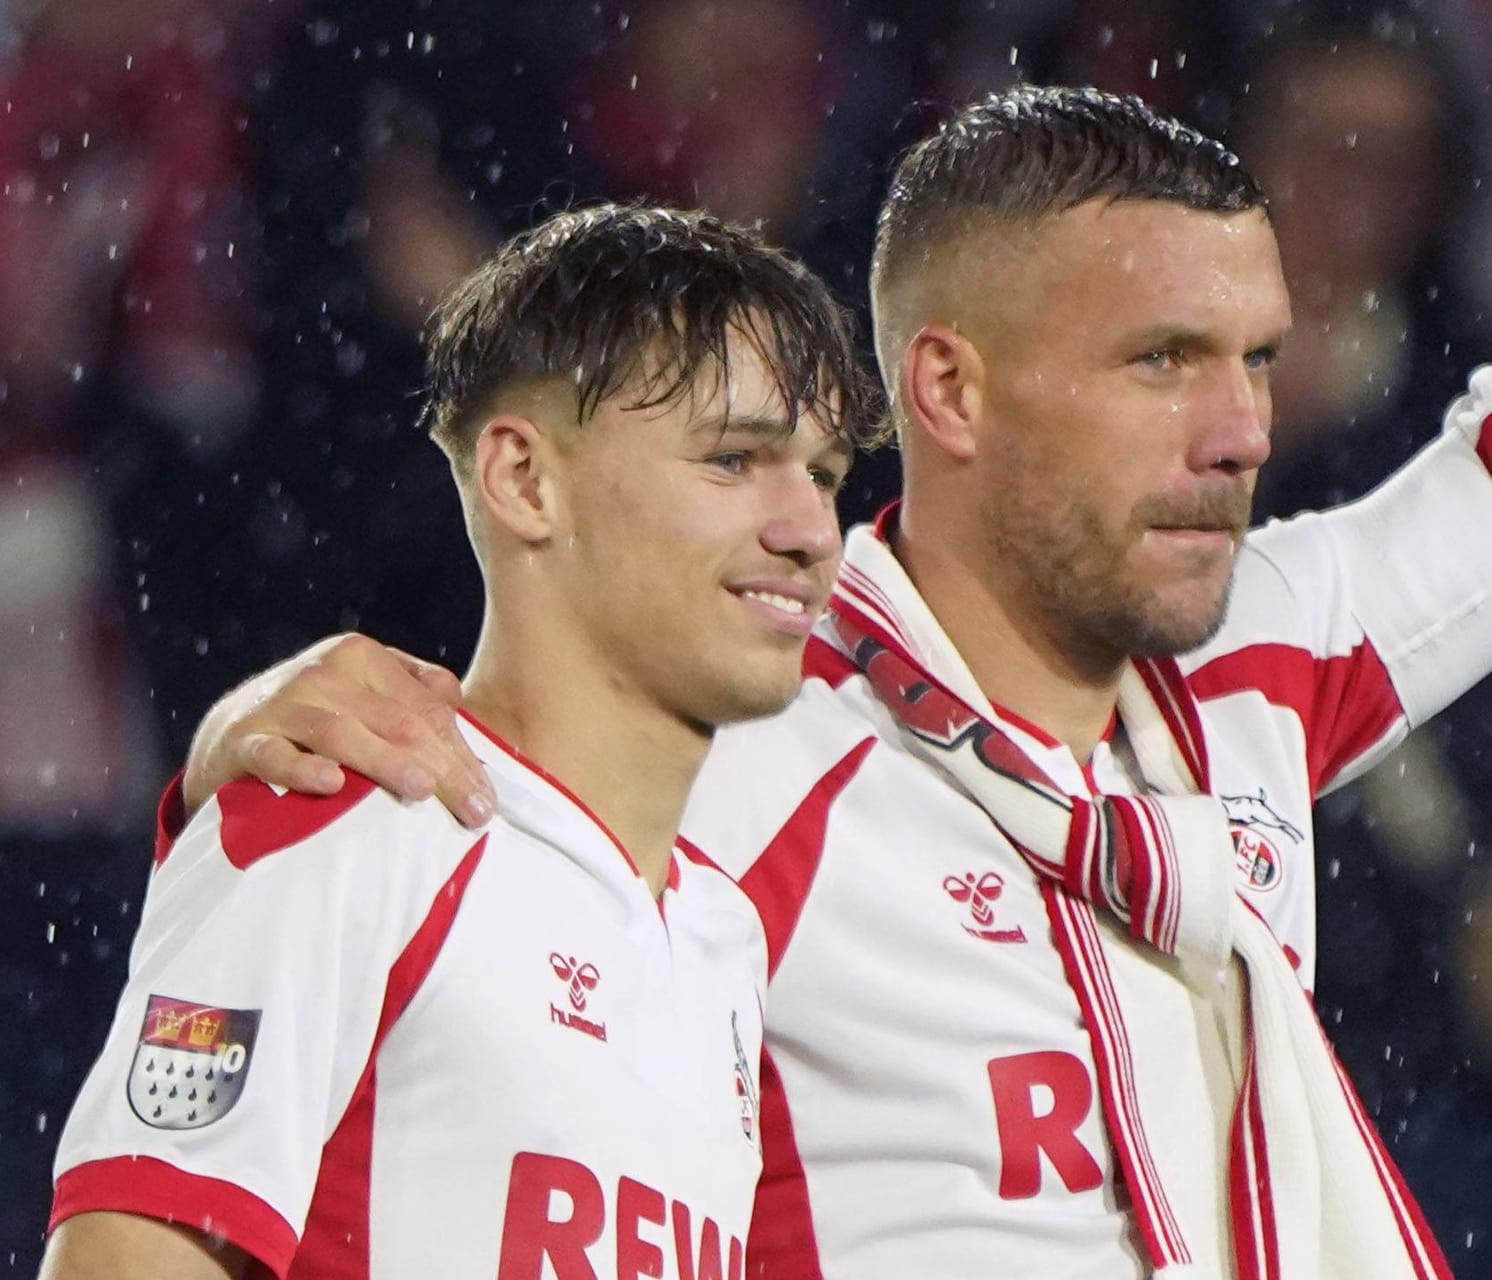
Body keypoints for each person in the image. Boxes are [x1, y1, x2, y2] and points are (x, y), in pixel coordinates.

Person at [169, 1, 1492, 1274]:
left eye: (1252, 357)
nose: (1241, 427)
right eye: (1163, 362)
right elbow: (332, 1025)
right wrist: (258, 744)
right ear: (950, 390)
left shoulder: (1257, 664)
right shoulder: (722, 740)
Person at [39, 204, 873, 1279]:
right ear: (524, 480)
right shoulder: (349, 805)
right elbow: (123, 1260)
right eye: (732, 458)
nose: (810, 529)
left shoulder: (726, 935)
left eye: (824, 474)